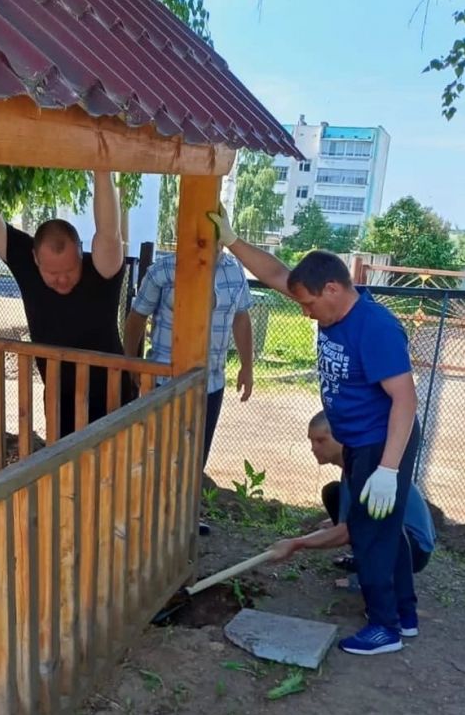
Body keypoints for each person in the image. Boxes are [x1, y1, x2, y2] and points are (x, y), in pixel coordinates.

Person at [208, 207, 419, 655]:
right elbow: (276, 274)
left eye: (309, 304)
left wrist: (388, 468)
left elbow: (405, 400)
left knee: (370, 533)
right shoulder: (327, 307)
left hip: (382, 442)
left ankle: (385, 629)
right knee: (385, 527)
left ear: (334, 289)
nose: (304, 312)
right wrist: (231, 241)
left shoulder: (375, 328)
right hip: (359, 442)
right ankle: (405, 613)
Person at [0, 163, 132, 437]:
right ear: (36, 259)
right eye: (52, 273)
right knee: (64, 463)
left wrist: (101, 168)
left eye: (70, 270)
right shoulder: (25, 263)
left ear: (81, 253)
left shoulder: (102, 268)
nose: (62, 280)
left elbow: (109, 234)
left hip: (115, 398)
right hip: (60, 401)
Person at [123, 248, 254, 532]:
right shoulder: (164, 269)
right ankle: (149, 520)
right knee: (159, 454)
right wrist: (130, 362)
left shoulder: (234, 270)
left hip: (212, 382)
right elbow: (137, 317)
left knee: (196, 455)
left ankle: (183, 520)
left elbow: (241, 318)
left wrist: (247, 366)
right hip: (164, 382)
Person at [270, 413, 436, 626]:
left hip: (415, 548)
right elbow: (347, 523)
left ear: (342, 437)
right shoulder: (352, 465)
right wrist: (337, 525)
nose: (313, 448)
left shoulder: (366, 469)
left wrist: (296, 543)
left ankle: (383, 593)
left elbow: (346, 531)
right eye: (311, 441)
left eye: (321, 440)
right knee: (332, 492)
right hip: (395, 533)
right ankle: (368, 565)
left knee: (364, 529)